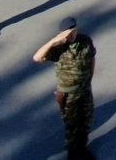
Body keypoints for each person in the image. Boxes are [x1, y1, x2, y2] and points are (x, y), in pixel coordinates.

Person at [33, 17, 96, 160]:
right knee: (72, 125)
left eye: (73, 32)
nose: (71, 35)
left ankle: (82, 148)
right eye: (68, 33)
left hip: (84, 89)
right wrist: (53, 41)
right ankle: (73, 154)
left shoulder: (85, 41)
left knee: (86, 120)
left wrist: (90, 78)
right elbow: (37, 58)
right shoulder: (58, 48)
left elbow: (91, 58)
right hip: (68, 94)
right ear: (62, 33)